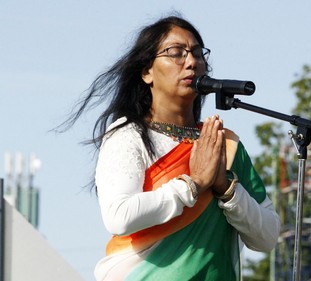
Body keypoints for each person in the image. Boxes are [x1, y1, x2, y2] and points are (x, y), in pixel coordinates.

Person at [69, 15, 280, 281]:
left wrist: (225, 188)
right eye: (175, 53)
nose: (191, 62)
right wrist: (193, 185)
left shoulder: (223, 144)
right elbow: (119, 217)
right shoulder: (128, 134)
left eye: (197, 54)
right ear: (147, 72)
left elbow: (268, 237)